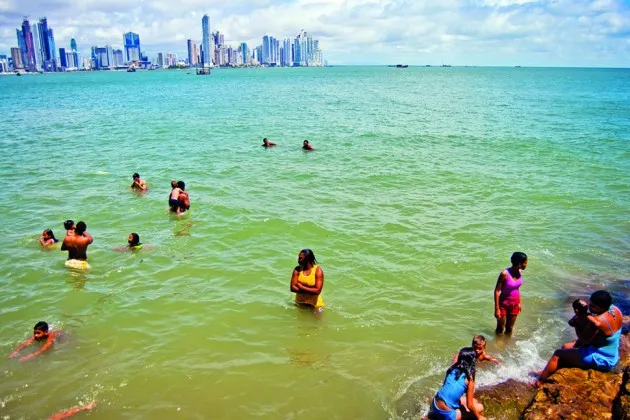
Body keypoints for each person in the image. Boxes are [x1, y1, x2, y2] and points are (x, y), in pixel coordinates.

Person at [535, 290, 623, 387]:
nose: (589, 306)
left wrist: (578, 319)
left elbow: (583, 338)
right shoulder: (615, 310)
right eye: (590, 302)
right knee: (565, 347)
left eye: (592, 305)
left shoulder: (598, 322)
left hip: (603, 358)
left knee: (558, 354)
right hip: (610, 352)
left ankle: (539, 383)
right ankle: (546, 371)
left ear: (599, 307)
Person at [429, 347, 486, 420]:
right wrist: (479, 417)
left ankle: (433, 414)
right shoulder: (469, 379)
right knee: (480, 407)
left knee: (475, 401)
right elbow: (470, 405)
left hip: (435, 403)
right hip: (446, 414)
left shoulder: (452, 368)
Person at [494, 252, 528, 335]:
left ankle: (507, 346)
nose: (526, 265)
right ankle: (497, 345)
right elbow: (497, 291)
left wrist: (519, 302)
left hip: (514, 305)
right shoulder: (504, 274)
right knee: (500, 328)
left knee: (509, 329)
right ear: (520, 263)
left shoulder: (520, 272)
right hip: (503, 305)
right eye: (525, 262)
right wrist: (497, 308)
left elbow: (517, 288)